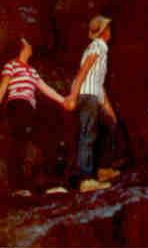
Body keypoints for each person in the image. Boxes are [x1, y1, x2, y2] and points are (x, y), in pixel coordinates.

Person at [0, 38, 68, 197]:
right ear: (22, 48)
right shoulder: (11, 65)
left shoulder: (32, 70)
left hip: (29, 107)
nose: (30, 45)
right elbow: (3, 86)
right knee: (19, 143)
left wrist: (63, 101)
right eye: (26, 43)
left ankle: (48, 184)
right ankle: (17, 187)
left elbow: (45, 88)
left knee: (42, 139)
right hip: (16, 105)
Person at [66, 15, 120, 193]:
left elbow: (97, 82)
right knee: (87, 135)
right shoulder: (99, 45)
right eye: (108, 28)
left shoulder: (98, 47)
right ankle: (85, 179)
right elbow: (84, 70)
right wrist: (73, 95)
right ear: (103, 32)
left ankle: (103, 169)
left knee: (109, 124)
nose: (110, 31)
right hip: (87, 96)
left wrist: (108, 109)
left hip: (92, 95)